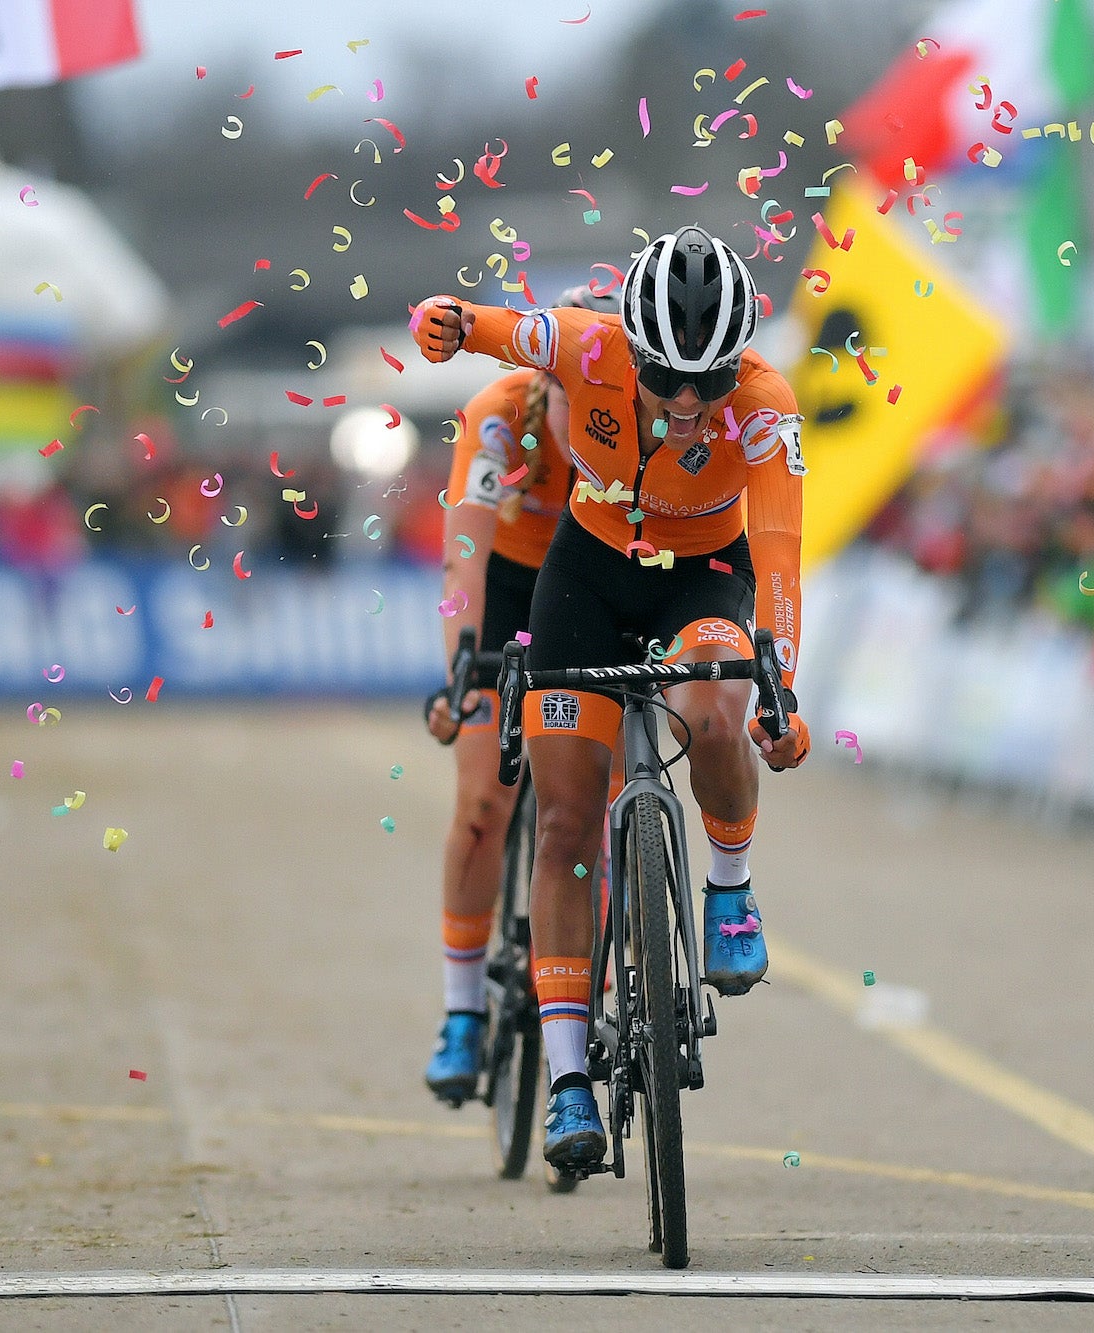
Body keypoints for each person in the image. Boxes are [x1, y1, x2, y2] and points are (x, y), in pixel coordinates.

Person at [414, 226, 811, 1173]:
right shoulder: (573, 357)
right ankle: (563, 1082)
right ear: (624, 349)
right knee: (558, 826)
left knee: (716, 708)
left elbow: (783, 550)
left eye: (708, 381)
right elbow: (500, 331)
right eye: (666, 376)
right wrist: (452, 325)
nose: (686, 401)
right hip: (583, 580)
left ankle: (730, 888)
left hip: (705, 574)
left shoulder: (765, 408)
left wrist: (780, 684)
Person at [419, 303, 583, 1106]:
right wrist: (461, 671)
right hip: (510, 589)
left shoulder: (642, 414)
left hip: (595, 593)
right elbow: (465, 565)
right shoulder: (497, 420)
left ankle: (580, 1007)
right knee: (485, 800)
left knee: (587, 810)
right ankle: (462, 1011)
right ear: (544, 383)